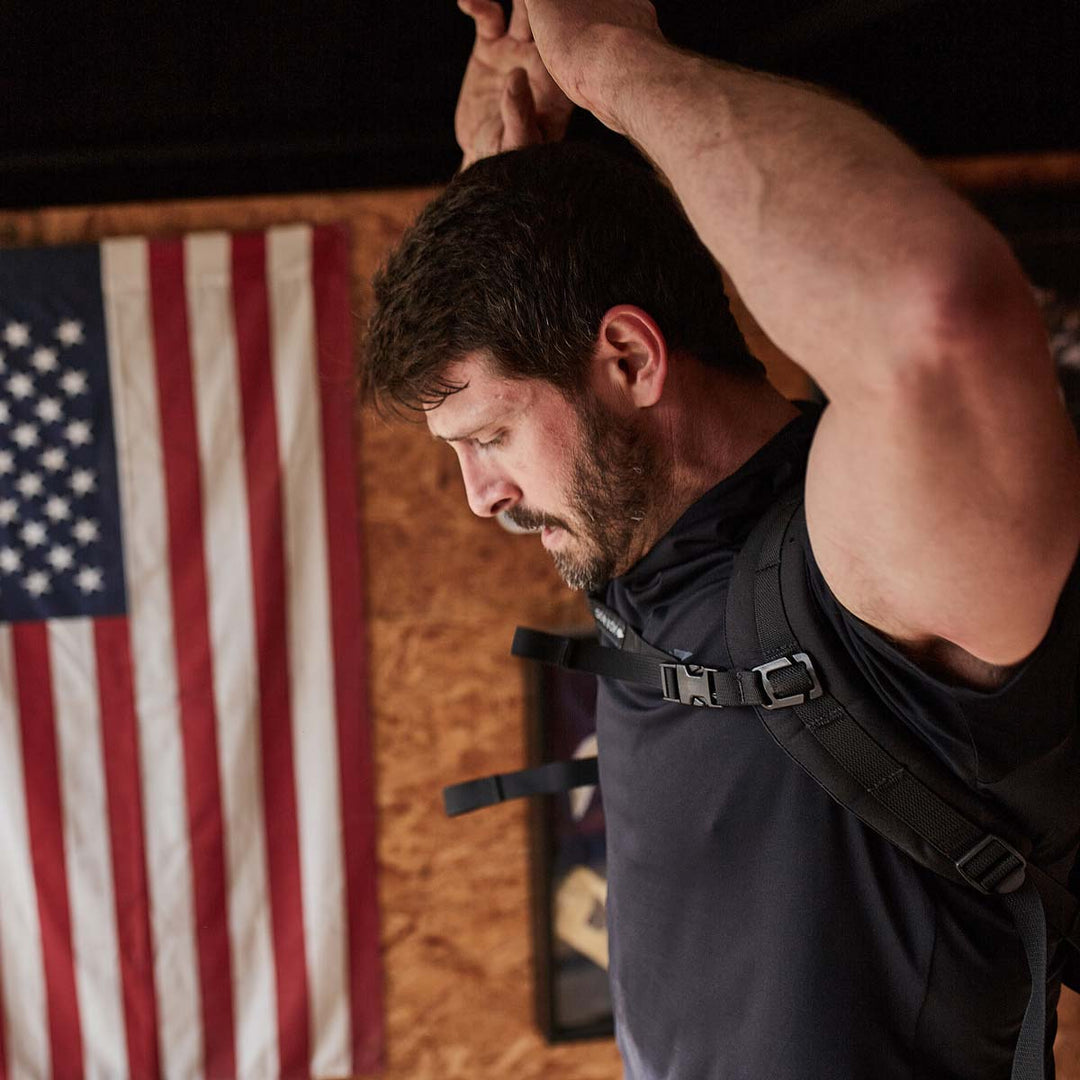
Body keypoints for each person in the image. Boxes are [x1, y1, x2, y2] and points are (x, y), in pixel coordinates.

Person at [362, 2, 1080, 1076]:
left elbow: (936, 311)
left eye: (493, 436)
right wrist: (499, 181)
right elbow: (540, 347)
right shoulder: (639, 541)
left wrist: (617, 63)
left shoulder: (866, 567)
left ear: (633, 360)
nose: (478, 495)